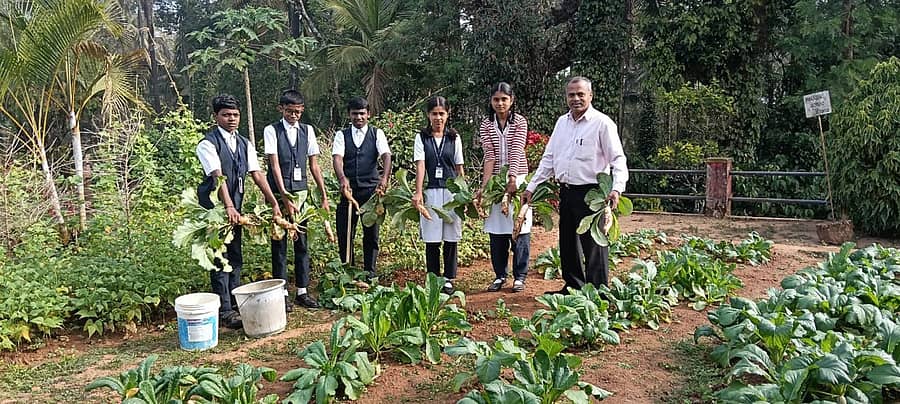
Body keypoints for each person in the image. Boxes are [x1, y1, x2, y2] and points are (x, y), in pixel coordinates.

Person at [522, 77, 628, 294]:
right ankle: (573, 287)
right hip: (567, 192)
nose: (576, 98)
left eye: (581, 94)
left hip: (593, 193)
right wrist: (532, 186)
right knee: (568, 243)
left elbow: (618, 159)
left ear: (590, 95)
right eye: (571, 95)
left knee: (594, 245)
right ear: (566, 97)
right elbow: (549, 158)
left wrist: (616, 188)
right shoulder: (562, 123)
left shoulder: (602, 123)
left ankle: (599, 293)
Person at [196, 94, 283, 329]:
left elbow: (256, 174)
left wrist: (274, 202)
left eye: (235, 115)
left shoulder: (244, 143)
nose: (231, 119)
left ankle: (236, 304)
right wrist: (229, 206)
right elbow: (218, 176)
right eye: (226, 115)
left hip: (235, 206)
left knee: (235, 255)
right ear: (216, 117)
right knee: (219, 258)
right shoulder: (208, 143)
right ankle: (224, 310)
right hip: (215, 209)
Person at [263, 90, 330, 310]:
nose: (294, 115)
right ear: (281, 109)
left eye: (298, 112)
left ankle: (302, 290)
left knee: (302, 244)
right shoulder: (272, 131)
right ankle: (281, 292)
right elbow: (273, 166)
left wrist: (322, 194)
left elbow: (314, 165)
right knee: (279, 245)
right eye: (290, 111)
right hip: (279, 196)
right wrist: (283, 197)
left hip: (301, 195)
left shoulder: (307, 131)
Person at [474, 82, 531, 293]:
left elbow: (517, 150)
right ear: (491, 101)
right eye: (496, 99)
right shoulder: (486, 124)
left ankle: (520, 276)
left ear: (511, 100)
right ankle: (500, 275)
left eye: (504, 99)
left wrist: (513, 178)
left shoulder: (520, 122)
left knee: (520, 226)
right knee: (496, 229)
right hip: (497, 181)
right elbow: (489, 156)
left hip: (519, 178)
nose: (500, 103)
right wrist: (485, 187)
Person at [332, 97, 392, 279]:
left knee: (371, 234)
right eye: (354, 114)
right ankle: (347, 271)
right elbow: (337, 158)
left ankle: (370, 272)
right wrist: (342, 178)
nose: (358, 117)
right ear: (349, 115)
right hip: (348, 191)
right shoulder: (341, 135)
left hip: (371, 191)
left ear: (368, 114)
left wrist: (384, 179)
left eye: (362, 113)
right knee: (345, 232)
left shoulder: (377, 133)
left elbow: (386, 155)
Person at [412, 96, 464, 294]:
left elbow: (459, 167)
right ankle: (433, 277)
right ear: (428, 115)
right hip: (431, 191)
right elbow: (421, 165)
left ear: (447, 115)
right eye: (434, 113)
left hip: (451, 192)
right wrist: (418, 192)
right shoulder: (422, 138)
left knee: (451, 235)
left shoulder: (454, 138)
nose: (438, 118)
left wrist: (463, 193)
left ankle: (449, 278)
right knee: (432, 237)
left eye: (442, 113)